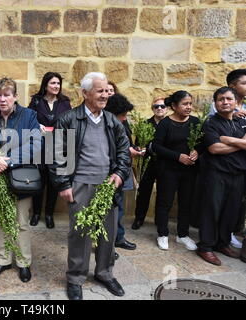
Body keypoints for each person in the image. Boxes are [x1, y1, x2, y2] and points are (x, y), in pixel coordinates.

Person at [50, 72, 130, 300]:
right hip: (80, 184)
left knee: (108, 233)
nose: (105, 95)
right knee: (80, 233)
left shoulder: (111, 120)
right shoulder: (68, 119)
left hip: (108, 185)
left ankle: (104, 273)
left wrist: (120, 173)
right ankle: (75, 278)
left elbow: (124, 150)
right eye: (100, 91)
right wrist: (63, 184)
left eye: (106, 91)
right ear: (85, 93)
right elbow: (54, 152)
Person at [0, 77, 41, 283]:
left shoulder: (29, 115)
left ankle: (23, 263)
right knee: (1, 222)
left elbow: (35, 145)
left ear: (15, 96)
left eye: (7, 95)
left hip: (21, 178)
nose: (2, 99)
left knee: (21, 222)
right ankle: (3, 260)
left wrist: (7, 161)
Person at [196, 87, 246, 266]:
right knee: (212, 210)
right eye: (220, 99)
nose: (225, 102)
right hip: (216, 174)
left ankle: (222, 243)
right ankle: (206, 247)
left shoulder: (242, 121)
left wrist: (227, 139)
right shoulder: (210, 123)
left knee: (231, 212)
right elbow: (214, 149)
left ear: (235, 101)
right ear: (215, 103)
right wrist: (241, 143)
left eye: (228, 99)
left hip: (238, 175)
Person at [152, 90, 201, 251]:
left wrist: (197, 151)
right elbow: (157, 147)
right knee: (164, 202)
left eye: (190, 104)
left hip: (189, 170)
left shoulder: (196, 122)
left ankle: (182, 235)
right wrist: (177, 156)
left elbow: (202, 142)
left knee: (186, 202)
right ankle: (163, 234)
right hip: (168, 170)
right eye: (185, 104)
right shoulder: (165, 124)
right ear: (174, 106)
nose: (189, 107)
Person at [28, 72, 71, 229]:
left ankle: (49, 214)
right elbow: (28, 118)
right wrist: (36, 126)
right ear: (45, 85)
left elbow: (70, 121)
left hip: (57, 147)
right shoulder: (36, 101)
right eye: (53, 83)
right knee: (39, 181)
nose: (56, 86)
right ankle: (36, 213)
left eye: (58, 83)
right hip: (39, 146)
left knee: (54, 182)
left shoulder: (65, 102)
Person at [104, 93, 139, 251]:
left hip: (119, 174)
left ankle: (118, 237)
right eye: (122, 115)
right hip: (105, 175)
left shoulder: (121, 124)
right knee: (105, 213)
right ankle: (105, 245)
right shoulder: (102, 127)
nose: (125, 119)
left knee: (118, 209)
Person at [132, 97, 168, 230]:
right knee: (143, 192)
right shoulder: (145, 124)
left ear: (167, 108)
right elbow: (137, 144)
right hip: (147, 164)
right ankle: (139, 218)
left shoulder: (170, 123)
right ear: (152, 108)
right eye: (156, 106)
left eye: (162, 106)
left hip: (165, 164)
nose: (159, 108)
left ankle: (159, 220)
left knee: (163, 193)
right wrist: (140, 149)